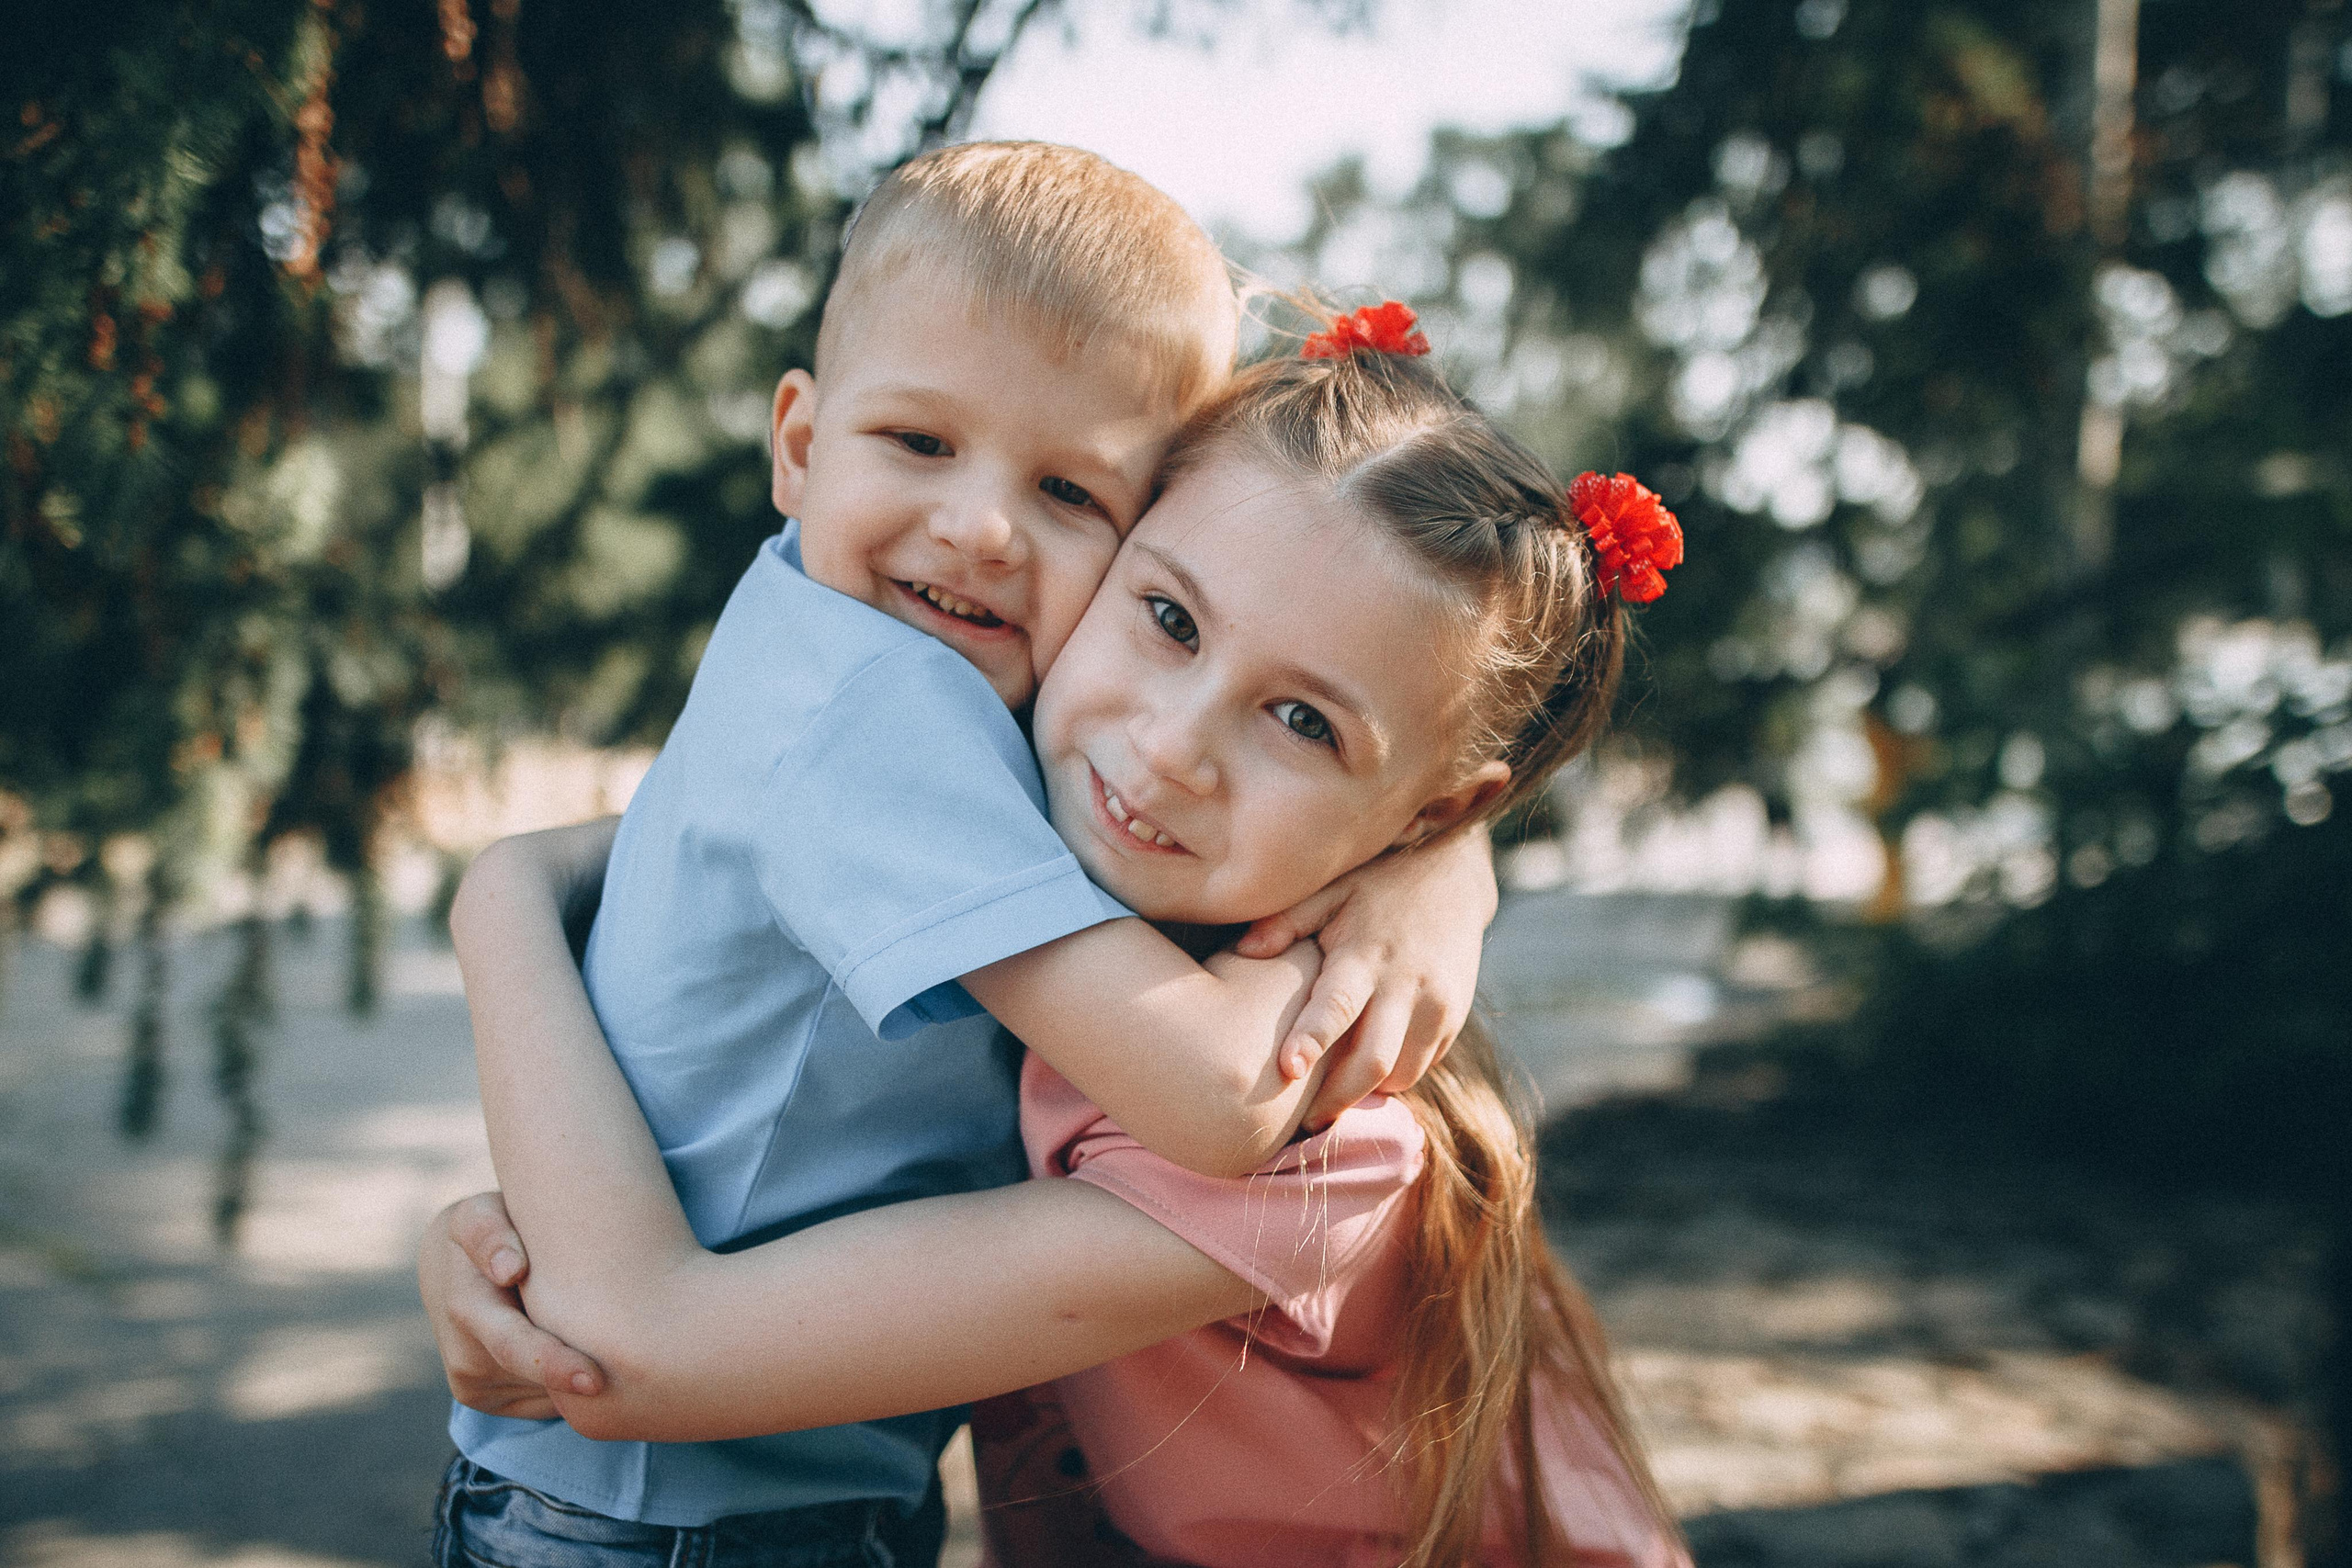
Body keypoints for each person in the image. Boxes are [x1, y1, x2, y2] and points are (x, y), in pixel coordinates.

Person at [423, 306, 1692, 1567]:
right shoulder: (1036, 871)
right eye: (1170, 617)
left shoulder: (1316, 1143)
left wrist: (504, 902)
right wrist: (505, 1232)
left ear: (1435, 810)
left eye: (1304, 722)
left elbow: (642, 1347)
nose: (1172, 746)